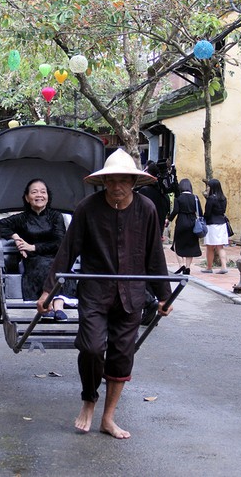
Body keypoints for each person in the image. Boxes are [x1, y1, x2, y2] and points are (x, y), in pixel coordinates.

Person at [36, 149, 173, 439]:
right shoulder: (88, 208)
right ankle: (89, 401)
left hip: (131, 295)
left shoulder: (147, 209)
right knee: (92, 348)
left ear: (133, 182)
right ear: (104, 182)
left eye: (123, 180)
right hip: (95, 293)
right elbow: (68, 251)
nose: (117, 186)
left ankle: (108, 418)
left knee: (122, 355)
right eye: (112, 180)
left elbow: (154, 255)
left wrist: (164, 295)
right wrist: (48, 290)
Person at [0, 179, 75, 320]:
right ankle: (48, 305)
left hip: (55, 256)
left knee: (61, 268)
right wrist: (15, 237)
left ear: (48, 196)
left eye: (43, 192)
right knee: (45, 267)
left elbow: (60, 242)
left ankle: (58, 306)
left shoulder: (56, 216)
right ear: (27, 198)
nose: (39, 195)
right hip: (32, 260)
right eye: (34, 192)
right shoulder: (22, 218)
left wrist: (33, 247)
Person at [166, 178, 201, 275]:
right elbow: (200, 212)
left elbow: (175, 211)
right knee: (191, 245)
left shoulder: (178, 198)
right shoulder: (195, 198)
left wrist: (169, 219)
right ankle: (188, 267)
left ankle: (181, 265)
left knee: (177, 244)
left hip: (181, 222)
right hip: (192, 223)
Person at [202, 178, 229, 274]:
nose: (207, 188)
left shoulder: (211, 199)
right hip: (222, 223)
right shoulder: (223, 198)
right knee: (220, 247)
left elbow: (207, 213)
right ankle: (224, 266)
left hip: (212, 224)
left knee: (210, 247)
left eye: (208, 186)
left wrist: (203, 218)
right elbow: (223, 211)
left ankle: (209, 267)